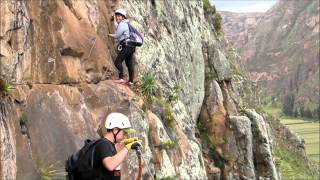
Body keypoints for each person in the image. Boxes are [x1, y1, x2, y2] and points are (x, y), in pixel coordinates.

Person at [94, 112, 141, 179]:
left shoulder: (109, 145)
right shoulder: (103, 144)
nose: (126, 135)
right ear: (115, 130)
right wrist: (127, 147)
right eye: (124, 132)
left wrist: (126, 143)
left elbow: (116, 152)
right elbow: (110, 165)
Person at [109, 9, 136, 86]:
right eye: (117, 16)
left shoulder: (122, 24)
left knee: (117, 62)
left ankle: (121, 78)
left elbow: (117, 35)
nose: (118, 18)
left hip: (126, 46)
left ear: (123, 17)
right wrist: (114, 20)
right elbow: (118, 27)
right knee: (129, 64)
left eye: (119, 16)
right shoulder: (125, 23)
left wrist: (110, 35)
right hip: (131, 46)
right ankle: (131, 81)